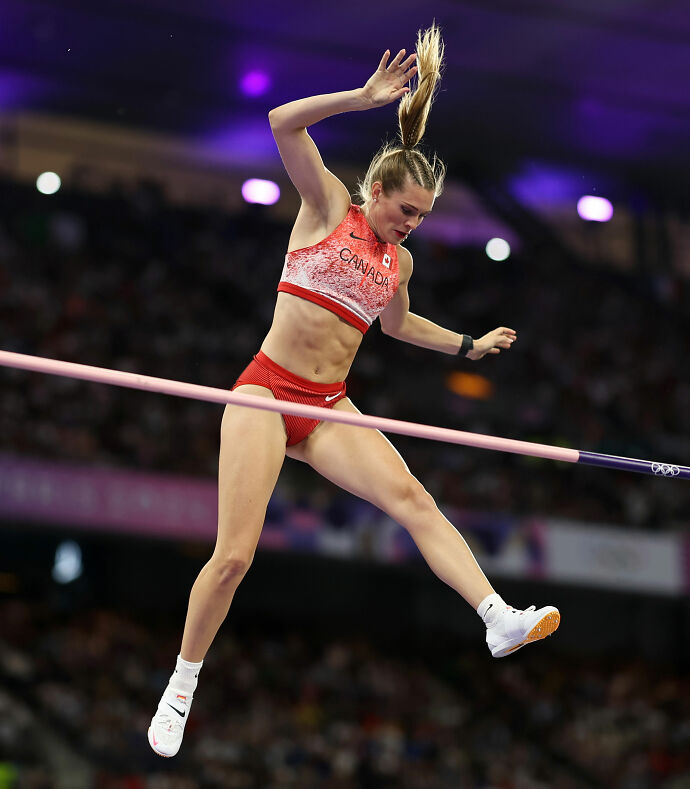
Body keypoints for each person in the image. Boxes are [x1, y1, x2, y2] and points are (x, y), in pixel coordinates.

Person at [148, 24, 559, 758]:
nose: (411, 227)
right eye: (405, 212)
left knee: (415, 501)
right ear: (375, 192)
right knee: (234, 556)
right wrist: (364, 98)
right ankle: (181, 684)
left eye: (423, 219)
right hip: (268, 394)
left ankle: (496, 616)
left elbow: (398, 327)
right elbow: (281, 122)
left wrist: (467, 343)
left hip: (330, 406)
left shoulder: (398, 267)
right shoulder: (328, 206)